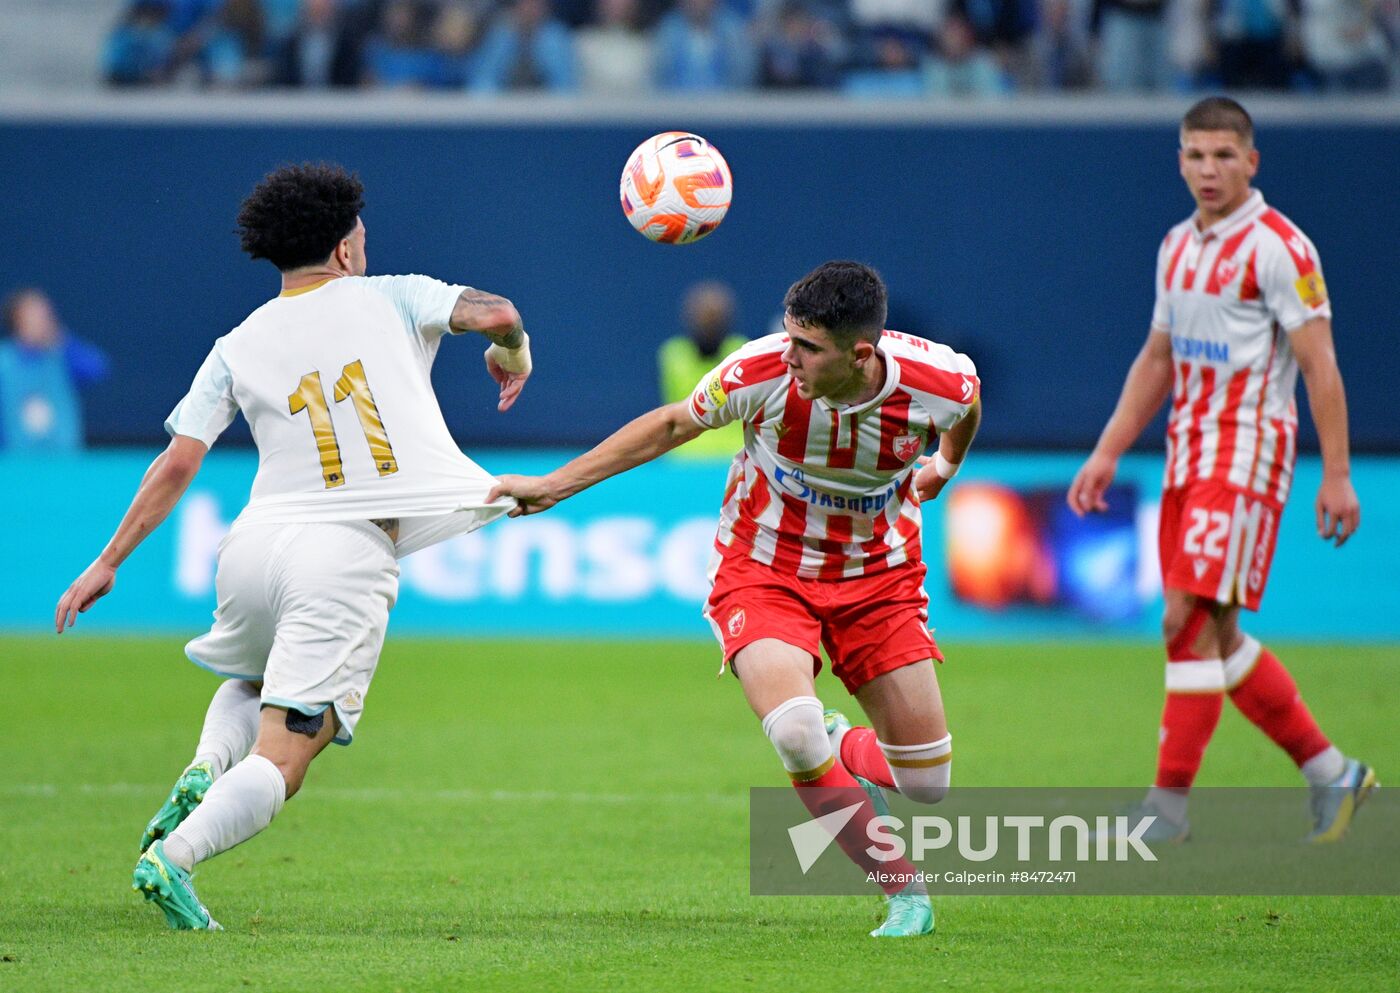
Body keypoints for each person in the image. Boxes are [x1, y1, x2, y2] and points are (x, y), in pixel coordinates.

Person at [54, 163, 533, 930]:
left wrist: (108, 560)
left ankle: (206, 766)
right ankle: (172, 858)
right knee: (286, 756)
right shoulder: (396, 294)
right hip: (342, 554)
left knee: (250, 678)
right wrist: (512, 350)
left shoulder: (237, 341)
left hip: (251, 545)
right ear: (344, 250)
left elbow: (178, 459)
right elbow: (498, 311)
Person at [492, 261, 981, 937]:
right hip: (765, 567)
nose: (792, 356)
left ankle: (843, 741)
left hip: (879, 577)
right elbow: (669, 426)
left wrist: (945, 465)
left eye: (809, 348)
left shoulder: (937, 378)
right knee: (793, 730)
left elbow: (966, 409)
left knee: (928, 781)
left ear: (860, 353)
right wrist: (555, 484)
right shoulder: (760, 372)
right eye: (790, 337)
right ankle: (903, 891)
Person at [1067, 97, 1375, 844]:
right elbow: (1157, 357)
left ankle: (1166, 810)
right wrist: (1109, 448)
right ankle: (1333, 773)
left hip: (1248, 452)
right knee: (1219, 633)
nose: (1209, 170)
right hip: (1187, 451)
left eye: (1224, 156)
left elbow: (1319, 362)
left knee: (1184, 619)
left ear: (1252, 162)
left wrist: (1336, 471)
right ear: (1179, 160)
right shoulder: (1177, 244)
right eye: (1196, 155)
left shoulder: (1282, 249)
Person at [0, 288, 110, 452]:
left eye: (45, 315)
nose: (41, 321)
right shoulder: (4, 361)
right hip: (13, 462)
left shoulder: (62, 355)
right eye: (33, 315)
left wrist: (62, 340)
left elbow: (98, 368)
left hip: (61, 462)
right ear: (17, 319)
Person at [656, 281, 748, 459]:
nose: (709, 324)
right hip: (684, 457)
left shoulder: (742, 351)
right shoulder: (673, 353)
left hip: (735, 454)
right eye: (704, 317)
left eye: (715, 318)